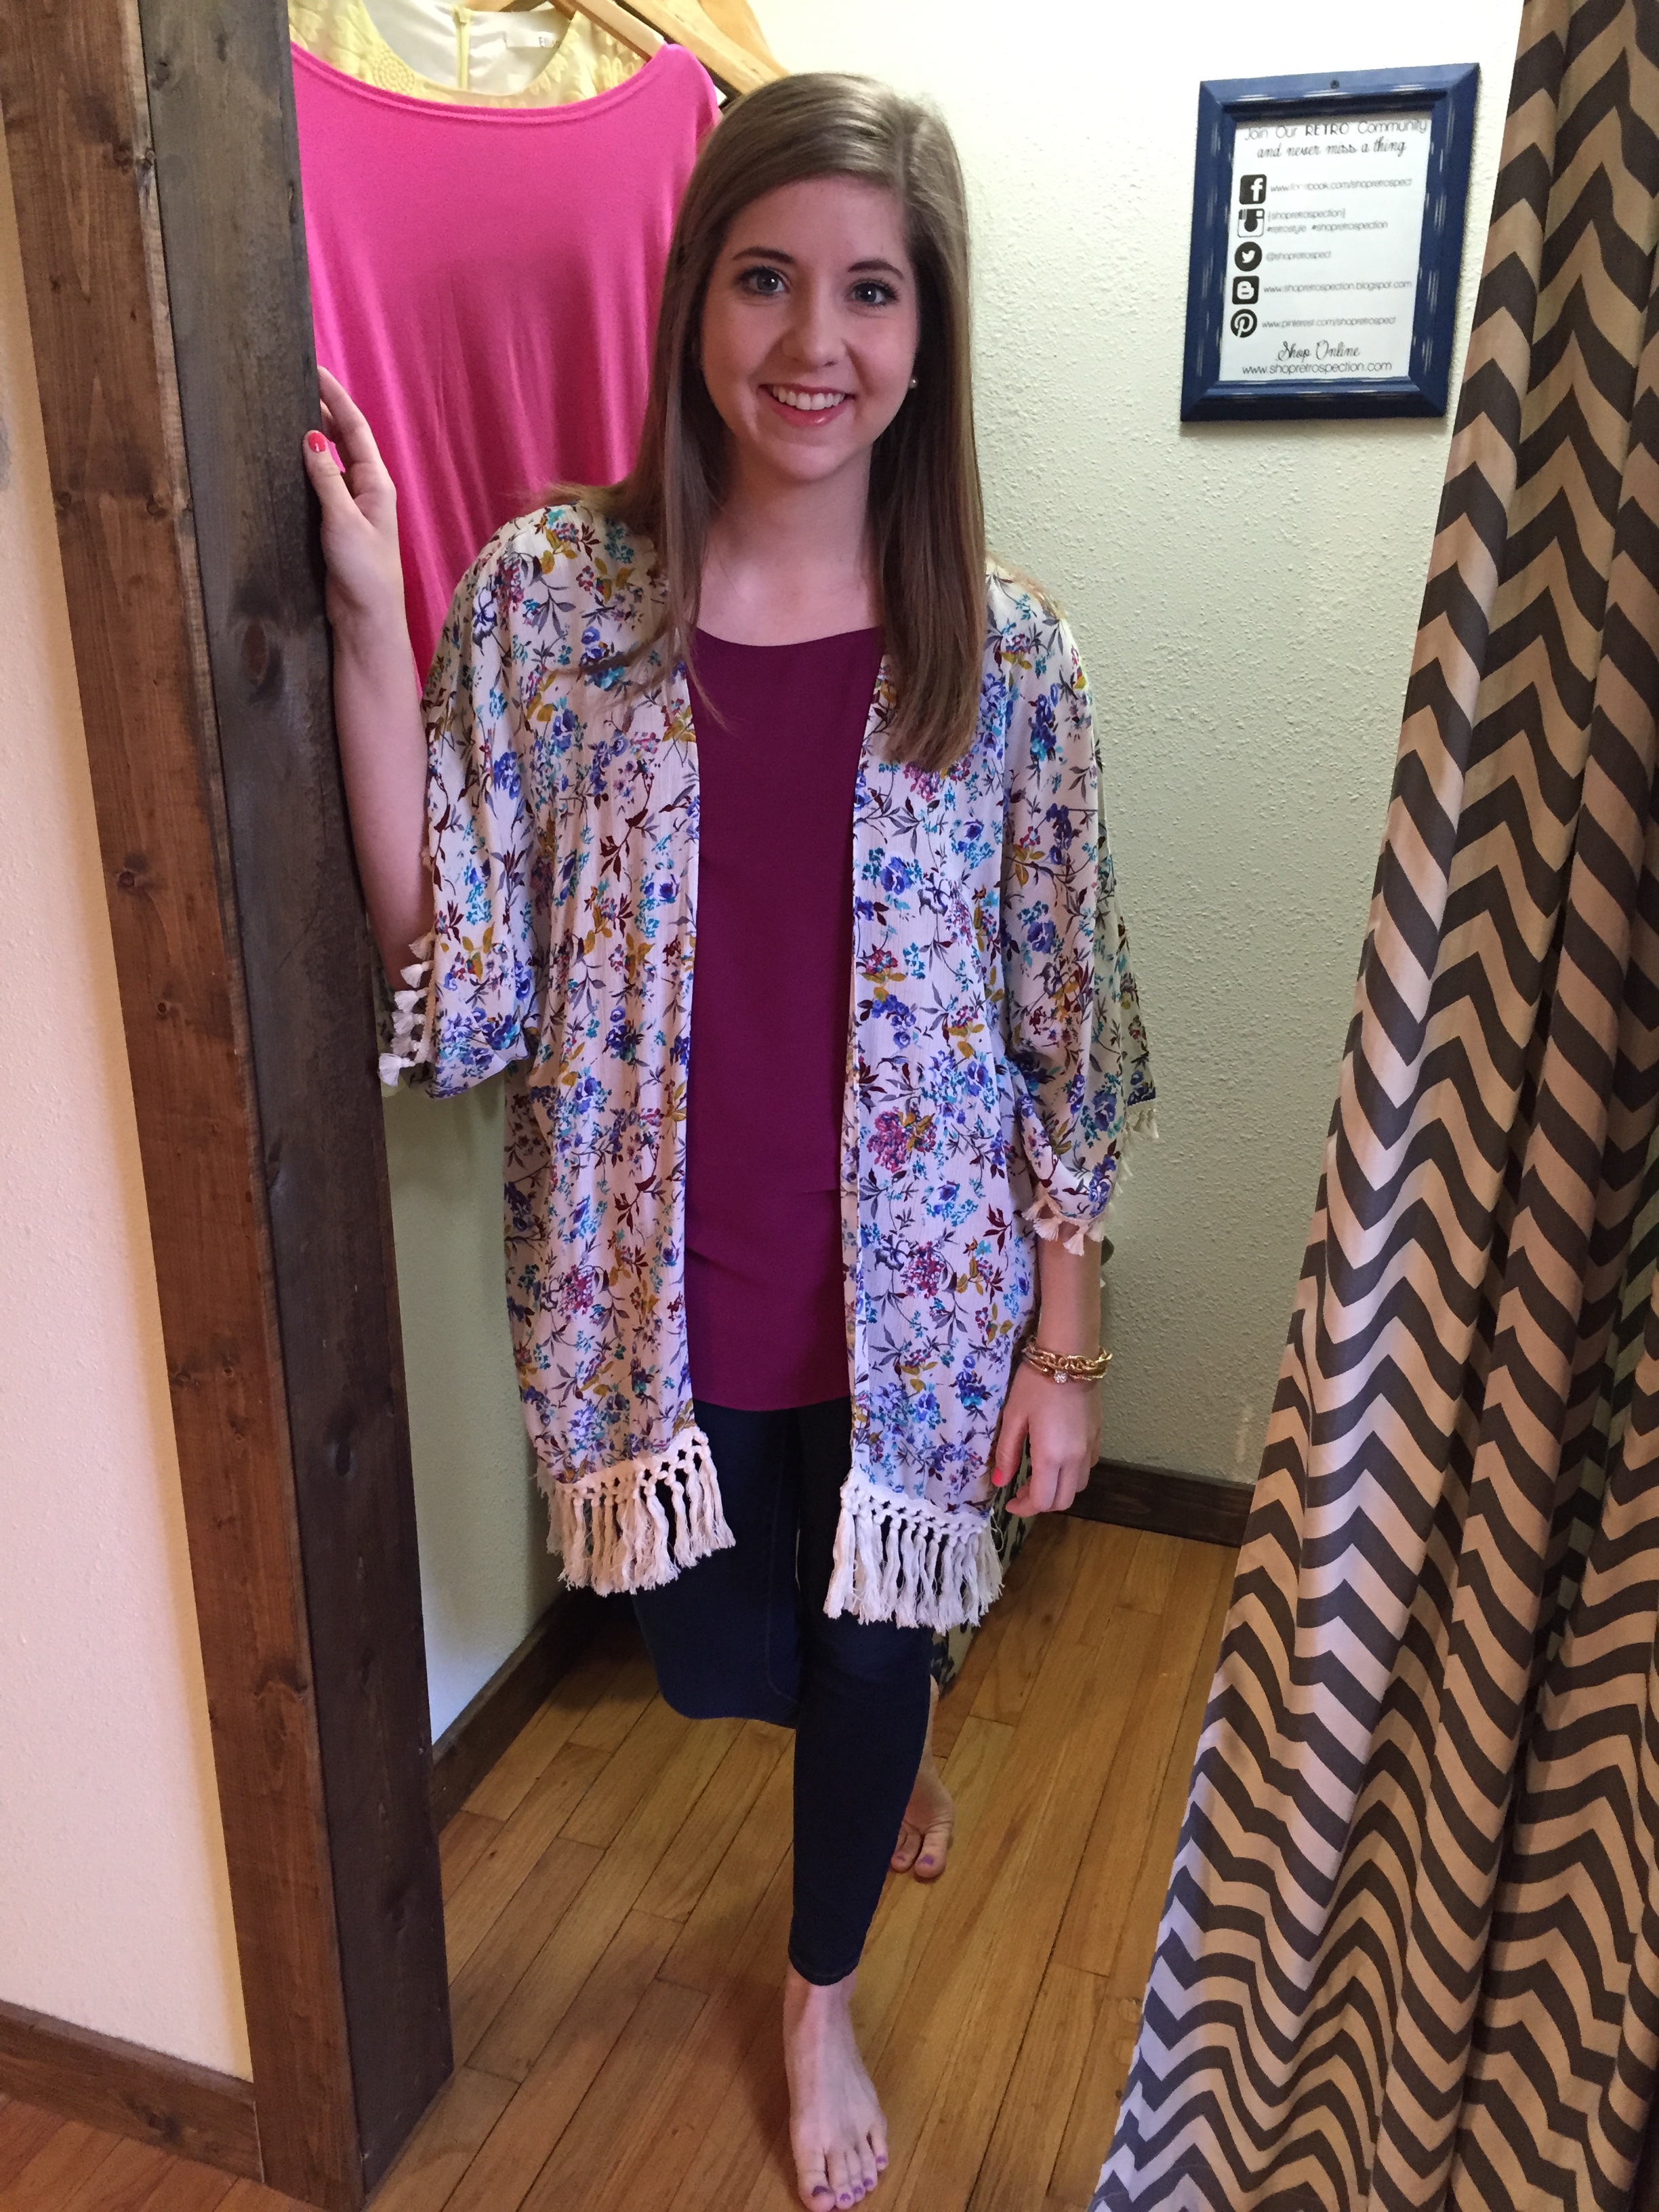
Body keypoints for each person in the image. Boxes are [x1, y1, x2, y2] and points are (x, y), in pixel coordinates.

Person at [302, 70, 1153, 2211]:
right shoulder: (551, 606)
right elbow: (458, 957)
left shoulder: (1005, 656)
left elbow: (1070, 1016)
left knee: (868, 1646)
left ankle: (819, 1987)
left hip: (921, 1301)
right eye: (767, 278)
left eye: (871, 292)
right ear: (696, 298)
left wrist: (1064, 1349)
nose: (814, 342)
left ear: (928, 338)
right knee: (708, 1660)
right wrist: (376, 630)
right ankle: (878, 1743)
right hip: (650, 1293)